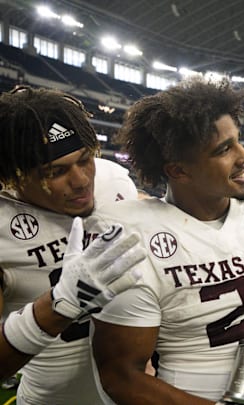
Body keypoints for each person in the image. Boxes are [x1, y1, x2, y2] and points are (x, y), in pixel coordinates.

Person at [90, 77, 244, 404]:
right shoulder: (131, 236)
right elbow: (121, 377)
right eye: (224, 149)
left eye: (238, 141)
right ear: (178, 171)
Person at [0, 85, 146, 404]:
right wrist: (61, 302)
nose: (81, 180)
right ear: (14, 175)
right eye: (56, 171)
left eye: (85, 159)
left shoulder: (116, 182)